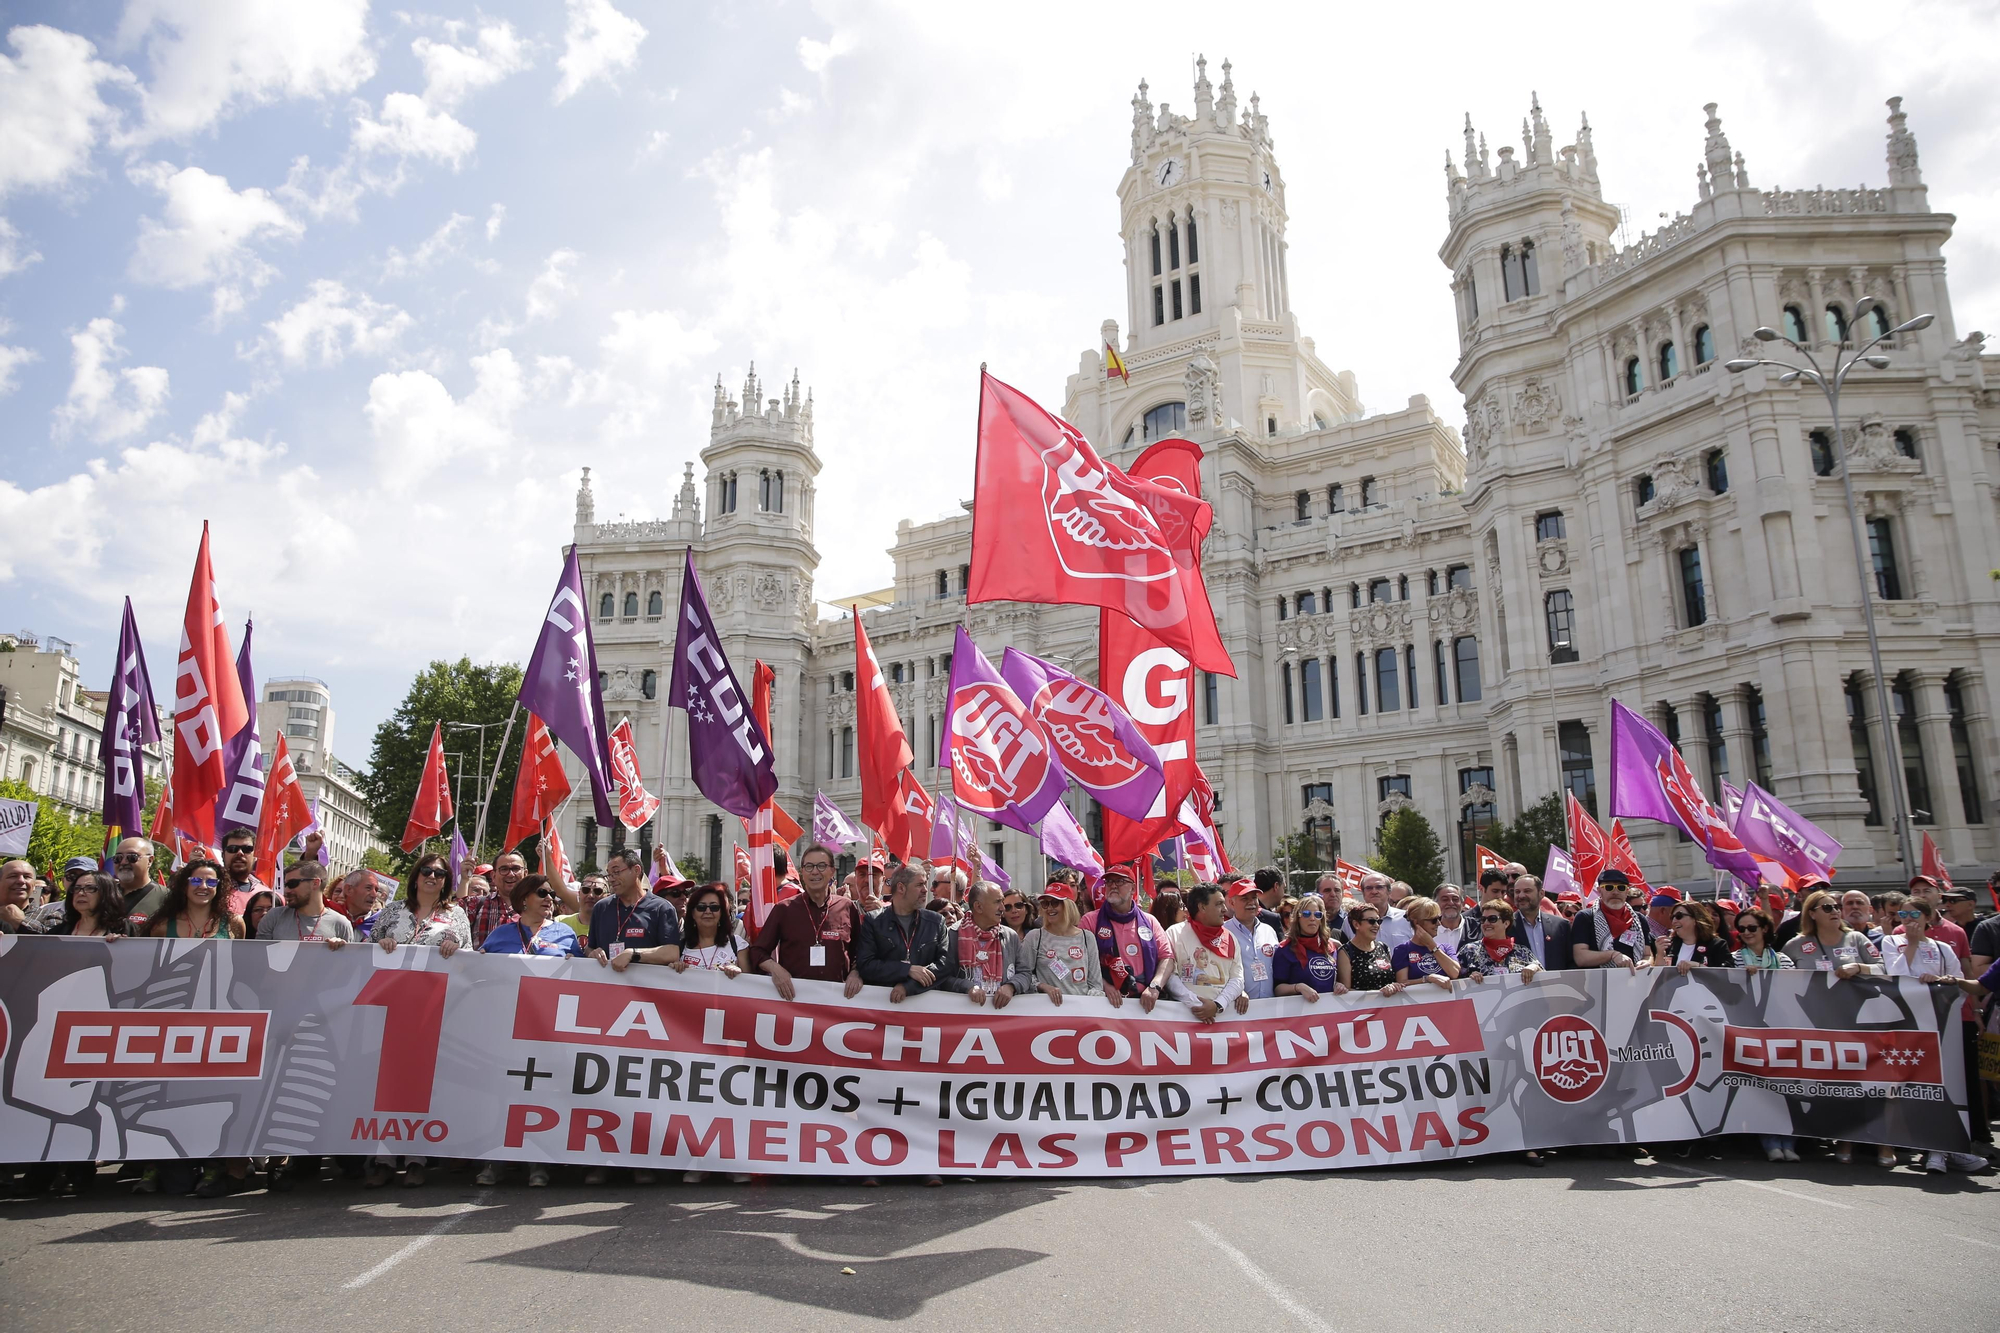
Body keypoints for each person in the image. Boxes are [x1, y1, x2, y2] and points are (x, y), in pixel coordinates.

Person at [748, 843, 866, 1000]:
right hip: (796, 1002)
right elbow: (757, 951)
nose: (815, 872)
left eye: (821, 866)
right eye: (809, 866)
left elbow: (861, 952)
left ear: (832, 871)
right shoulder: (784, 909)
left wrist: (856, 972)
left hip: (838, 1001)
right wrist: (776, 970)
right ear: (802, 872)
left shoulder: (847, 907)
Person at [855, 863, 951, 1002]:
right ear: (901, 887)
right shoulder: (874, 921)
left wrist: (908, 986)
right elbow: (866, 965)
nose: (925, 890)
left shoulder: (936, 922)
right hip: (884, 1007)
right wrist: (906, 970)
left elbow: (945, 965)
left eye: (925, 884)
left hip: (926, 1008)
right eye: (919, 885)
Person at [1079, 866, 1168, 1011]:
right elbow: (1081, 961)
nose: (1113, 885)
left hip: (1146, 1004)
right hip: (1107, 1004)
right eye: (1109, 882)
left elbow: (1167, 958)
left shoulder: (1150, 921)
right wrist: (1104, 985)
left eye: (1120, 881)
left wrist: (1154, 986)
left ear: (1133, 889)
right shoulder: (1090, 921)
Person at [938, 881, 1031, 1008]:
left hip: (1001, 1016)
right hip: (962, 1016)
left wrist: (1011, 987)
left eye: (1002, 902)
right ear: (978, 907)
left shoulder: (1010, 936)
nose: (1003, 908)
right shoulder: (952, 935)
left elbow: (1025, 973)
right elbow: (941, 977)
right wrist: (967, 987)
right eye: (997, 902)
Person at [1163, 883, 1245, 1020]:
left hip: (1224, 1018)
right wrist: (1197, 1005)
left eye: (1224, 904)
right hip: (1185, 1018)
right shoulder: (1175, 933)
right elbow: (1170, 976)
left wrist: (1217, 1005)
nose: (1225, 909)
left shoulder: (1230, 938)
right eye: (1219, 904)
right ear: (1202, 907)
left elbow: (1237, 978)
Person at [591, 847, 681, 971]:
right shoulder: (601, 908)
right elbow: (590, 947)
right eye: (609, 874)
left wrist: (633, 954)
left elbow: (672, 952)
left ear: (636, 870)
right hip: (606, 986)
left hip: (644, 988)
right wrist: (592, 953)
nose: (611, 879)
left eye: (616, 872)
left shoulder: (662, 908)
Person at [1022, 882, 1112, 1004]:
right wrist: (1042, 986)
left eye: (1055, 903)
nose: (1049, 908)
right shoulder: (1034, 937)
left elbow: (1095, 985)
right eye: (1045, 903)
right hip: (1047, 1012)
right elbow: (1024, 975)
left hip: (1080, 1014)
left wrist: (1089, 1004)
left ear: (1068, 906)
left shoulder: (1087, 937)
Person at [371, 853, 470, 956]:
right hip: (392, 971)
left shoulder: (457, 914)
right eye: (426, 871)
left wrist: (456, 950)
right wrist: (380, 945)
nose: (432, 876)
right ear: (416, 877)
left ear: (445, 881)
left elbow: (468, 957)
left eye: (439, 873)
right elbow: (369, 949)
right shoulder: (392, 909)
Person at [256, 859, 357, 944]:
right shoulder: (274, 917)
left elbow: (347, 965)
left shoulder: (341, 924)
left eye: (292, 884)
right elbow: (260, 958)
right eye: (285, 885)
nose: (286, 890)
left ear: (315, 883)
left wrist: (339, 951)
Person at [1570, 868, 1653, 970]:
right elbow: (1580, 958)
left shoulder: (1639, 919)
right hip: (1598, 982)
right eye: (1609, 887)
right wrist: (1612, 955)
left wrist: (1646, 962)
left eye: (1621, 888)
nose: (1615, 892)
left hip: (1634, 979)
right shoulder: (1585, 917)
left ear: (1627, 891)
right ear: (1599, 890)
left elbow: (1648, 955)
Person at [482, 875, 583, 958]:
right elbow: (479, 965)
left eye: (551, 894)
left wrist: (574, 962)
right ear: (523, 899)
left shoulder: (565, 932)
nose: (549, 898)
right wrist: (480, 956)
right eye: (542, 893)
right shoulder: (500, 933)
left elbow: (582, 971)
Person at [147, 859, 243, 939]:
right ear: (185, 886)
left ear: (218, 887)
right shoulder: (162, 926)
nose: (203, 886)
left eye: (211, 882)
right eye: (196, 881)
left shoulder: (234, 923)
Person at [1273, 892, 1339, 1000]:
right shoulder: (1285, 950)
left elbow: (1337, 980)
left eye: (1317, 915)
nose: (1312, 918)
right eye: (1307, 914)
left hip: (1328, 1012)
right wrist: (1298, 987)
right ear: (1297, 918)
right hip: (1299, 1014)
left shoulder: (1330, 947)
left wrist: (1339, 985)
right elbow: (1277, 989)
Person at [1221, 879, 1280, 1000]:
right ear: (1232, 903)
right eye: (1244, 899)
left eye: (1254, 898)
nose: (1251, 903)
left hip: (1270, 1007)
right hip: (1238, 1009)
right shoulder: (1223, 932)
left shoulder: (1268, 931)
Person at [673, 883, 748, 973]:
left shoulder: (738, 944)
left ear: (721, 913)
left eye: (714, 907)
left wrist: (738, 972)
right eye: (701, 907)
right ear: (692, 913)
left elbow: (749, 983)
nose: (708, 911)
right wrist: (673, 968)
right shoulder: (679, 947)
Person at [1458, 900, 1540, 980]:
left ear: (1506, 923)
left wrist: (1535, 968)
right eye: (1483, 919)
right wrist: (1469, 978)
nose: (1486, 923)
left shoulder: (1523, 952)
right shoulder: (1469, 951)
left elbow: (1545, 978)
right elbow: (1453, 977)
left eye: (1492, 919)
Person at [1391, 895, 1461, 988]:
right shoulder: (1402, 950)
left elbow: (1454, 973)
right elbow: (1402, 983)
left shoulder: (1446, 948)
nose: (1438, 923)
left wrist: (1432, 947)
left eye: (1439, 918)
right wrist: (1428, 979)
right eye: (1433, 920)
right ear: (1416, 922)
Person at [463, 851, 527, 948]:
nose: (510, 874)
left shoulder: (537, 907)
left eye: (516, 868)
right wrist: (464, 880)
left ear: (525, 874)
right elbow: (455, 929)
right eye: (504, 869)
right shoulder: (475, 904)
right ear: (493, 876)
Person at [1338, 903, 1402, 995]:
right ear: (1356, 924)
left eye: (1378, 921)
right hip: (1362, 1007)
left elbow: (1394, 979)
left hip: (1387, 1006)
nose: (1376, 925)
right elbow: (1346, 991)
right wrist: (1376, 994)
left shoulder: (1383, 947)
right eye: (1371, 921)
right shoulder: (1345, 952)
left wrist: (1393, 986)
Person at [1509, 874, 1569, 971]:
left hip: (1557, 984)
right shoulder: (1505, 926)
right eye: (1517, 892)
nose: (1521, 896)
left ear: (1541, 893)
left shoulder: (1561, 925)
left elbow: (1570, 961)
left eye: (1527, 891)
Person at [1905, 875, 1971, 961]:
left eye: (1927, 891)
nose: (1922, 895)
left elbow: (1966, 971)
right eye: (1916, 892)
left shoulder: (1957, 931)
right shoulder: (1901, 931)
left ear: (1939, 896)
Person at [1652, 901, 1732, 972]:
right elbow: (1659, 977)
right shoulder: (1669, 945)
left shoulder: (1717, 945)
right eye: (1672, 917)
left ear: (1696, 919)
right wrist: (1660, 954)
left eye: (1679, 916)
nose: (1674, 921)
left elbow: (1726, 974)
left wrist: (1697, 966)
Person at [110, 836, 168, 933]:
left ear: (150, 861)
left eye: (132, 857)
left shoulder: (166, 897)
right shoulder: (103, 894)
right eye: (118, 858)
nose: (123, 862)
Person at [51, 871, 127, 938]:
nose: (80, 893)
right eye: (77, 888)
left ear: (106, 894)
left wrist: (121, 946)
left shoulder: (124, 929)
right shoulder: (58, 932)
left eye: (90, 888)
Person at [218, 829, 265, 915]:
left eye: (247, 849)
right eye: (232, 849)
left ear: (256, 856)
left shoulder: (269, 895)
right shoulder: (209, 888)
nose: (240, 853)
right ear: (223, 855)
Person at [0, 858, 49, 934]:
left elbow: (56, 942)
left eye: (27, 877)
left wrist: (20, 921)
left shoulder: (49, 916)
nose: (21, 881)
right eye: (13, 876)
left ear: (34, 886)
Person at [559, 873, 606, 941]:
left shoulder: (614, 926)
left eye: (597, 891)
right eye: (586, 890)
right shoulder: (560, 922)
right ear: (579, 893)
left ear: (607, 895)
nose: (590, 896)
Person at [1432, 885, 1472, 957]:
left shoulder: (1477, 928)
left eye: (1455, 899)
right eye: (1445, 899)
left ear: (1462, 903)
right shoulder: (1427, 930)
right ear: (1435, 904)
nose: (1451, 903)